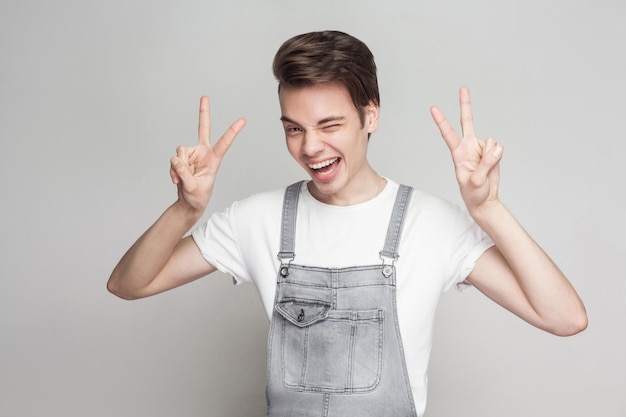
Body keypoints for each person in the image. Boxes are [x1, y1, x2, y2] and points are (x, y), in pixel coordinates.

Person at [108, 30, 587, 417]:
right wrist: (185, 211)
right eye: (294, 128)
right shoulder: (255, 220)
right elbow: (128, 285)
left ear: (370, 115)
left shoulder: (433, 224)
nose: (310, 147)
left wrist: (488, 209)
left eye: (330, 125)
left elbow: (565, 318)